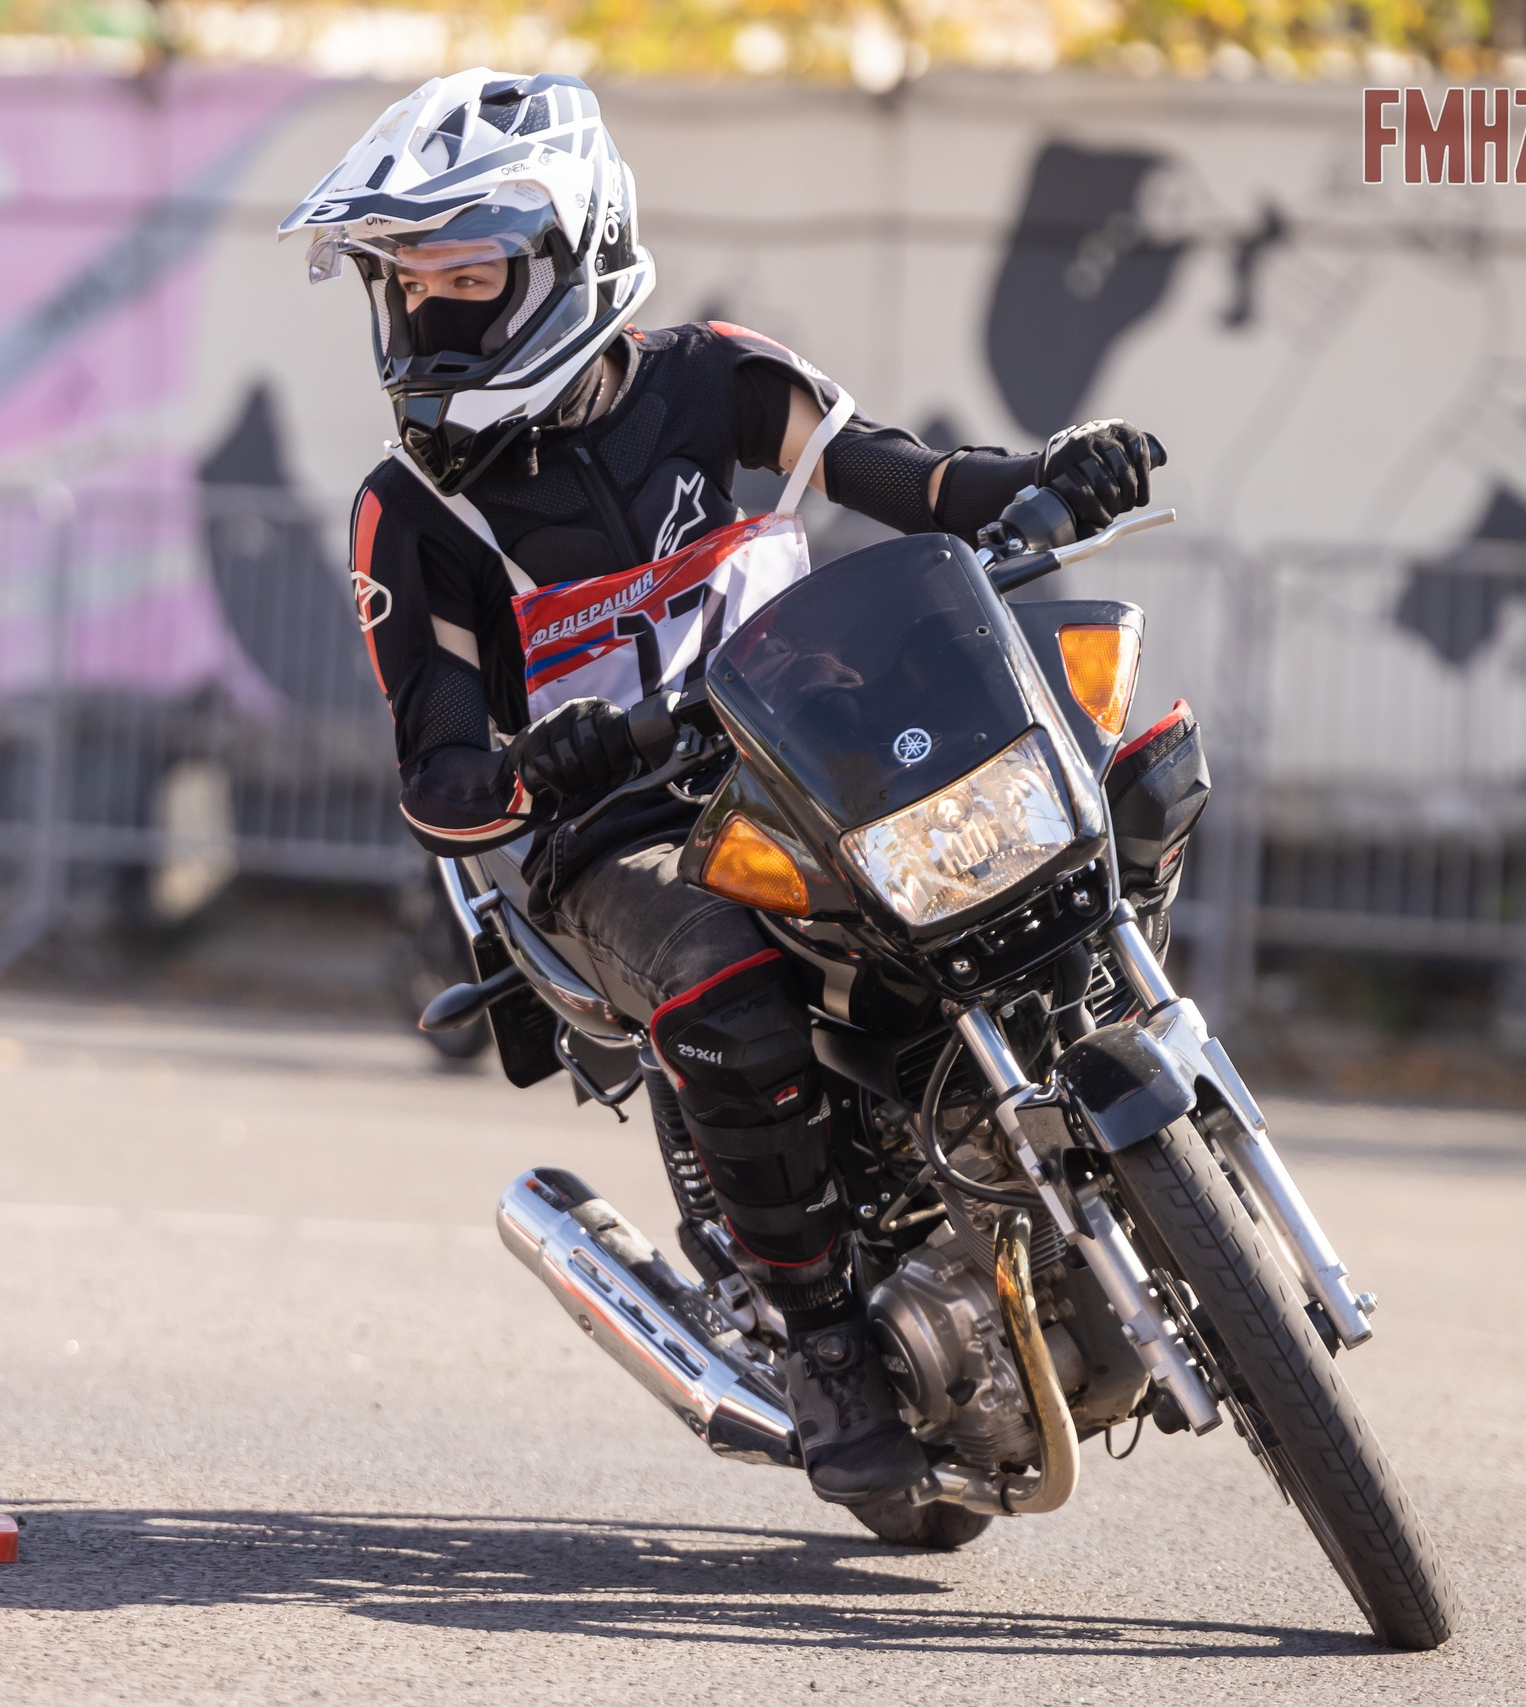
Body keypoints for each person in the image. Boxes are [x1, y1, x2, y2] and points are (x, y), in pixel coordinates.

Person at [281, 70, 1163, 1506]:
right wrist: (537, 765)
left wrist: (1054, 476)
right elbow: (440, 781)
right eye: (403, 288)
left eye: (463, 280)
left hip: (808, 760)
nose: (423, 321)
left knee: (1118, 772)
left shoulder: (714, 378)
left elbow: (915, 484)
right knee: (724, 984)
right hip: (612, 837)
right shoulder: (415, 512)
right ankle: (823, 1343)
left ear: (577, 255)